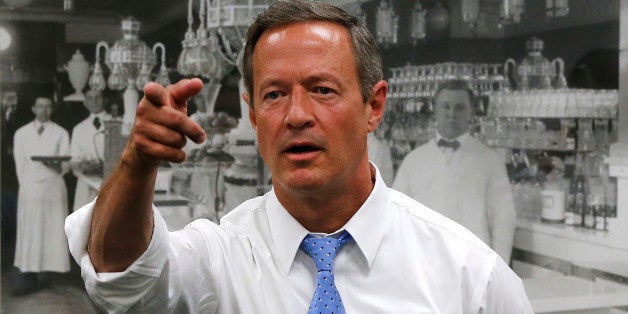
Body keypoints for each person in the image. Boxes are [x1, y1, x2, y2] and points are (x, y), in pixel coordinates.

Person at [65, 1, 532, 312]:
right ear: (251, 113)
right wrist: (135, 164)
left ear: (374, 105)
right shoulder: (222, 257)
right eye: (273, 95)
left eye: (323, 90)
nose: (296, 115)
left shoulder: (471, 277)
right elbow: (120, 281)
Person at [393, 79, 517, 263]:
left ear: (471, 112)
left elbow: (503, 219)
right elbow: (395, 216)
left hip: (472, 262)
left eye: (459, 108)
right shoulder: (414, 160)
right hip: (424, 262)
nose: (451, 114)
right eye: (445, 106)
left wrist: (500, 271)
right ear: (435, 110)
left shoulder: (490, 160)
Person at [13, 96, 71, 295]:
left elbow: (65, 165)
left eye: (48, 107)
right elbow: (20, 165)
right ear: (33, 108)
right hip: (30, 189)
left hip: (54, 189)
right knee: (31, 232)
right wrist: (28, 186)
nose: (44, 110)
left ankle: (49, 276)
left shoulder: (61, 133)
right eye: (40, 106)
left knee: (51, 233)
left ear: (52, 109)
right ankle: (28, 278)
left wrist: (54, 165)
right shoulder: (21, 134)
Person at [70, 90, 112, 211]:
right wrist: (83, 165)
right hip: (85, 183)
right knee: (85, 224)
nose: (94, 101)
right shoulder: (78, 129)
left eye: (98, 97)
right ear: (85, 103)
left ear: (105, 100)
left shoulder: (117, 123)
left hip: (110, 180)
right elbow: (74, 159)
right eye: (90, 98)